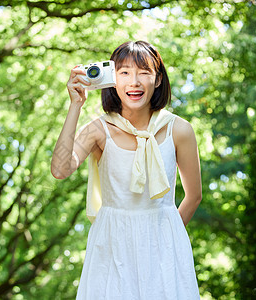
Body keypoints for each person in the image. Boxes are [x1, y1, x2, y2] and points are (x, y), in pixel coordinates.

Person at [51, 41, 202, 299]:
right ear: (112, 79)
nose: (134, 81)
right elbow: (60, 170)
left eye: (144, 72)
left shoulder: (179, 130)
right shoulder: (99, 130)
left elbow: (194, 195)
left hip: (163, 249)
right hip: (110, 247)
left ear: (157, 80)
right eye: (124, 73)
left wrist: (168, 238)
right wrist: (75, 105)